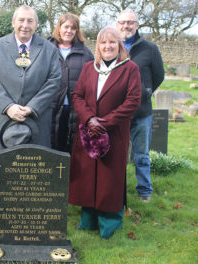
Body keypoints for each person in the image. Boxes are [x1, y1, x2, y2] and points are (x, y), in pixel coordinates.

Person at [69, 26, 141, 239]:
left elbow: (133, 101)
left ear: (119, 46)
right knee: (88, 177)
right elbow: (78, 97)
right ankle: (88, 221)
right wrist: (90, 119)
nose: (107, 46)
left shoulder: (130, 69)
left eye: (112, 42)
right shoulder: (89, 67)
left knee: (110, 178)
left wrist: (106, 122)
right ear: (97, 46)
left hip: (114, 134)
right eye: (103, 43)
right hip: (88, 133)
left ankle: (109, 225)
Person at [0, 5, 61, 150]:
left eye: (30, 21)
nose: (25, 25)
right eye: (21, 20)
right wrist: (8, 106)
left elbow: (54, 80)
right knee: (4, 169)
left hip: (38, 118)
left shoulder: (49, 49)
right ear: (13, 22)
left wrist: (32, 107)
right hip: (5, 117)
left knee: (37, 168)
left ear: (36, 24)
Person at [116, 9, 165, 202]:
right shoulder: (112, 46)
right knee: (116, 153)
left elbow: (159, 75)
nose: (126, 26)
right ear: (117, 24)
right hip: (117, 111)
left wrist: (145, 92)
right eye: (123, 22)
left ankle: (144, 190)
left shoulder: (149, 48)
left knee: (141, 154)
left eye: (130, 22)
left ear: (137, 25)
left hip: (141, 112)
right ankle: (116, 189)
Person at [48, 13, 94, 152]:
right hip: (52, 106)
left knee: (73, 146)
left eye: (73, 28)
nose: (69, 30)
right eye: (66, 26)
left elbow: (91, 81)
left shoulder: (86, 53)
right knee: (53, 145)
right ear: (59, 28)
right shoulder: (46, 49)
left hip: (76, 108)